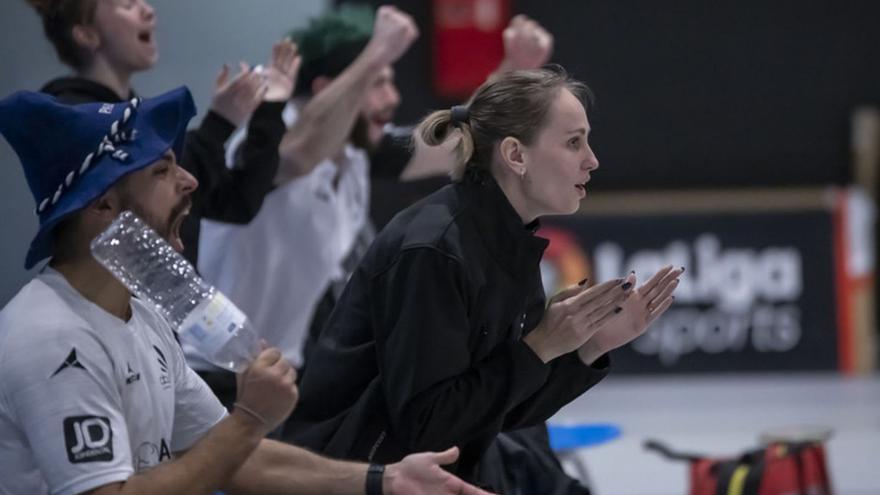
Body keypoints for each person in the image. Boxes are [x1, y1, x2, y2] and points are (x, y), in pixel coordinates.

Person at [0, 87, 493, 495]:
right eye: (162, 170)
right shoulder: (54, 338)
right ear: (104, 207)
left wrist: (383, 481)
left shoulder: (143, 318)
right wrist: (250, 417)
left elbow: (239, 460)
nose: (190, 181)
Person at [284, 66, 683, 490]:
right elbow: (426, 426)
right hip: (352, 477)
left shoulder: (508, 236)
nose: (593, 159)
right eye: (573, 142)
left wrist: (590, 347)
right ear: (516, 155)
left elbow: (502, 412)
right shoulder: (433, 250)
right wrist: (541, 345)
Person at [26, 0, 299, 265]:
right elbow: (141, 198)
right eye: (127, 4)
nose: (148, 10)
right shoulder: (69, 118)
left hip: (160, 308)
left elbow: (238, 202)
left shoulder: (143, 125)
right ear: (87, 34)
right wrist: (220, 123)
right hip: (111, 308)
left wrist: (270, 110)